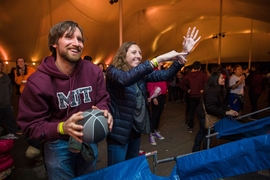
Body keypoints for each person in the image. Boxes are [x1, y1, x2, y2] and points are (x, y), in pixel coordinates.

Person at [17, 20, 113, 179]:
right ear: (54, 43)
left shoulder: (94, 72)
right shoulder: (37, 82)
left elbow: (103, 99)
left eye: (80, 39)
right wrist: (62, 127)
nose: (77, 43)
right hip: (57, 144)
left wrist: (104, 110)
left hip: (89, 138)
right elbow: (31, 125)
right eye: (69, 37)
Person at [105, 27, 201, 166]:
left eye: (140, 52)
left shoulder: (141, 74)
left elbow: (165, 75)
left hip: (135, 131)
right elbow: (125, 79)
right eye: (134, 52)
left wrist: (185, 53)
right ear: (123, 55)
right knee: (116, 173)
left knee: (131, 168)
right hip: (119, 133)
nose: (138, 55)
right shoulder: (113, 72)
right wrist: (158, 59)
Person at [193, 71, 239, 152]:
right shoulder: (211, 90)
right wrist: (226, 112)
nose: (223, 79)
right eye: (221, 78)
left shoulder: (218, 89)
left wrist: (230, 110)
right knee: (208, 133)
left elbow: (220, 103)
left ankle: (196, 150)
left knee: (203, 131)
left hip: (205, 112)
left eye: (223, 78)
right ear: (215, 79)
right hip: (203, 114)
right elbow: (210, 107)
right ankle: (205, 152)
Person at [179, 61, 209, 133]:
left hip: (192, 96)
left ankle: (190, 126)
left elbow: (181, 84)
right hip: (200, 96)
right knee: (202, 111)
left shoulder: (189, 76)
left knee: (191, 111)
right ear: (200, 67)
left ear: (193, 67)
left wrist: (188, 90)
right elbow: (210, 82)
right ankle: (202, 126)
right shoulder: (203, 75)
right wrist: (204, 90)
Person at [147, 62, 167, 145]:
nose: (162, 62)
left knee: (159, 114)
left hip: (163, 95)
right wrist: (153, 97)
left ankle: (155, 130)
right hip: (155, 96)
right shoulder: (153, 72)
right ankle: (151, 134)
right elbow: (149, 85)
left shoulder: (162, 72)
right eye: (160, 61)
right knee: (155, 115)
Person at [0, 60, 18, 138]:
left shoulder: (6, 76)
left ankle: (13, 134)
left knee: (10, 120)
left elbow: (10, 88)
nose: (0, 67)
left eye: (2, 66)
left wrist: (9, 97)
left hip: (7, 104)